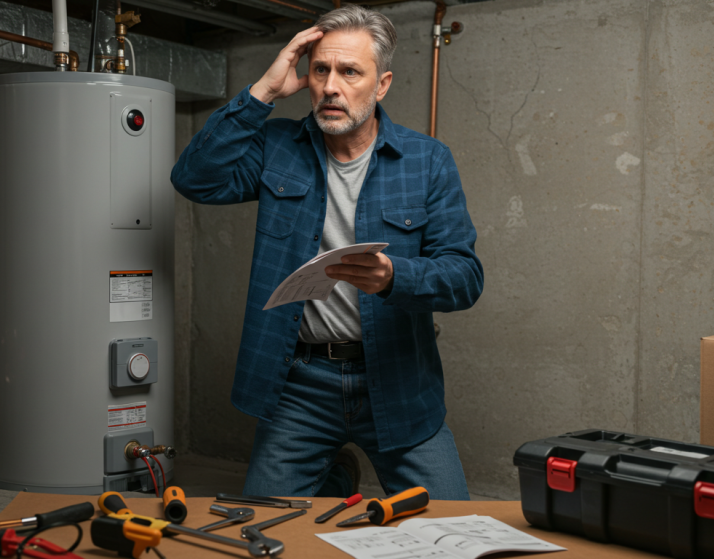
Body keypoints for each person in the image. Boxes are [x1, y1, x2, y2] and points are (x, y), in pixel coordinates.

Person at [171, 5, 483, 499]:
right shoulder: (278, 146)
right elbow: (194, 179)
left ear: (381, 85)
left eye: (349, 72)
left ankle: (334, 478)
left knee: (452, 531)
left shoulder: (426, 161)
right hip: (301, 385)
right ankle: (334, 477)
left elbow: (465, 277)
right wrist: (264, 93)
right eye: (321, 70)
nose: (331, 86)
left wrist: (393, 276)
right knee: (264, 528)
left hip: (398, 380)